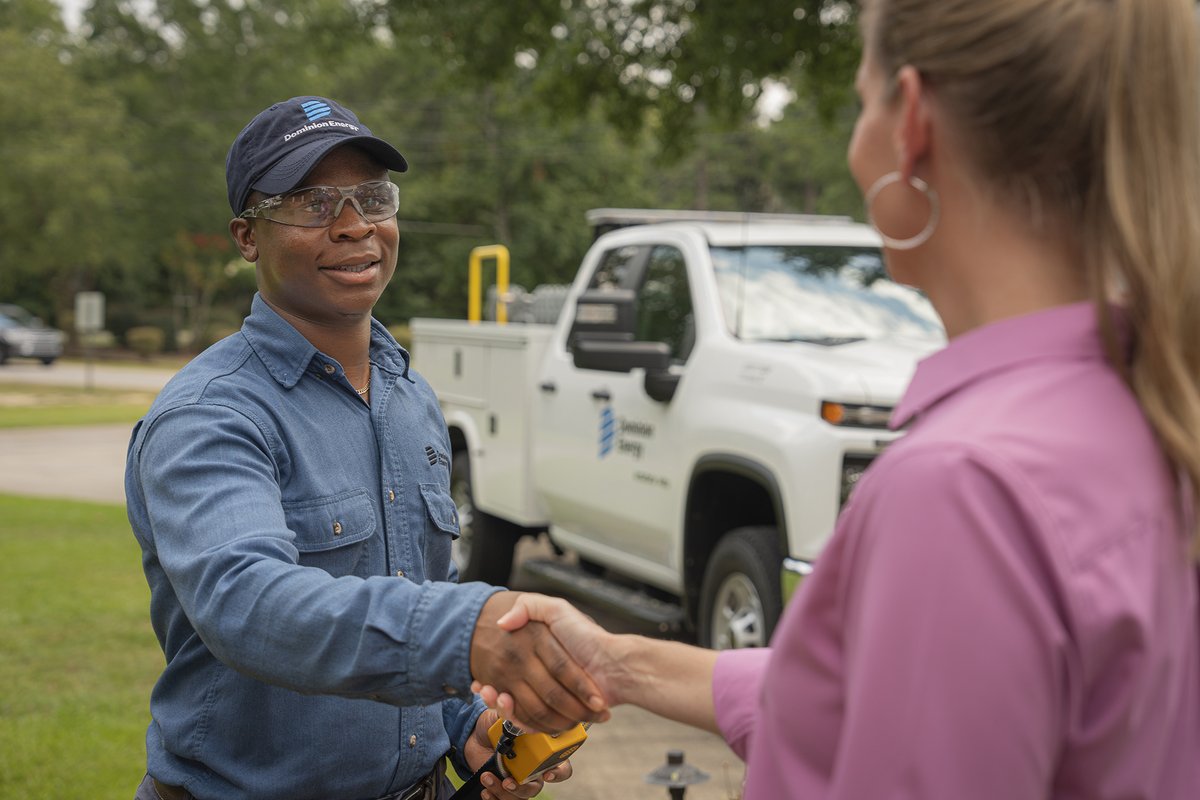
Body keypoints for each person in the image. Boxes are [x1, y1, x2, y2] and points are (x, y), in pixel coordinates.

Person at [477, 1, 1200, 797]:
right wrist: (620, 661)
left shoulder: (963, 489)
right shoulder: (1148, 410)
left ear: (911, 123)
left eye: (864, 101)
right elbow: (891, 698)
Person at [125, 96, 607, 800]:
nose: (354, 226)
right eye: (312, 204)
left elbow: (418, 590)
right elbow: (246, 602)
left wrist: (465, 725)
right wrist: (463, 632)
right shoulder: (210, 416)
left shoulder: (409, 397)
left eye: (372, 197)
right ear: (247, 236)